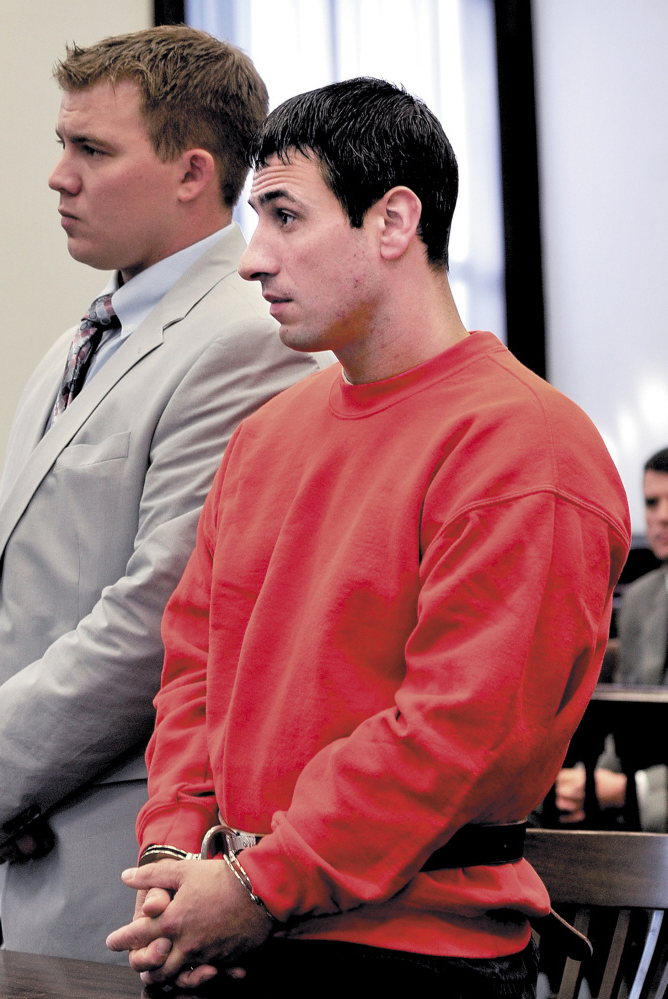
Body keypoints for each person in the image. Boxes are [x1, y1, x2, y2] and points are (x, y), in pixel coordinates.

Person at [106, 78, 630, 997]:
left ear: (393, 222)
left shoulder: (525, 446)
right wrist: (174, 857)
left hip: (412, 952)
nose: (251, 258)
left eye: (284, 215)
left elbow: (456, 733)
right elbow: (195, 666)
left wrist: (256, 883)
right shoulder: (266, 435)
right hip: (235, 922)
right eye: (251, 218)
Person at [0, 26, 326, 964]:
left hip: (112, 854)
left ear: (191, 172)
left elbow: (156, 615)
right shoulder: (82, 337)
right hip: (7, 834)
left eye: (92, 149)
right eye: (60, 144)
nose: (58, 175)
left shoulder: (248, 339)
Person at [555, 447, 668, 830]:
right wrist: (591, 781)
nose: (662, 516)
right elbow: (625, 722)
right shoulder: (638, 599)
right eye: (652, 502)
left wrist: (630, 787)